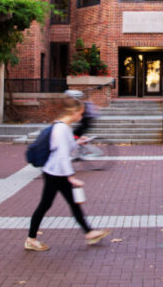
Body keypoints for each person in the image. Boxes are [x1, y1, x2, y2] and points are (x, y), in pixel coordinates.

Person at [25, 97, 111, 251]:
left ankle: (89, 233)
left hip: (56, 172)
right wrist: (71, 176)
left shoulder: (62, 126)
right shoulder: (61, 129)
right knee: (46, 205)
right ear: (74, 112)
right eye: (81, 113)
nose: (81, 117)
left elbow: (67, 147)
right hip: (54, 173)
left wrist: (78, 142)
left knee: (68, 203)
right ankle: (31, 239)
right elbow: (62, 156)